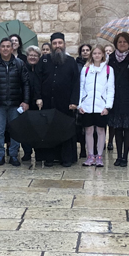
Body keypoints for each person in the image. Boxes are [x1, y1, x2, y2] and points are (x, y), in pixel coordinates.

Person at [0, 36, 30, 167]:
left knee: (15, 130)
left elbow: (26, 83)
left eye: (8, 46)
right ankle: (0, 155)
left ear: (12, 48)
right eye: (3, 46)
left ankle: (13, 155)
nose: (5, 49)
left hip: (15, 103)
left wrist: (26, 101)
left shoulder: (19, 64)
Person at [36, 33, 81, 167]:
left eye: (60, 43)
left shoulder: (71, 61)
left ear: (64, 44)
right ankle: (49, 158)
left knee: (65, 129)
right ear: (51, 45)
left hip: (65, 103)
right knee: (49, 130)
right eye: (55, 43)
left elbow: (76, 83)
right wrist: (38, 97)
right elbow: (37, 80)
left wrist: (74, 101)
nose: (57, 46)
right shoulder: (44, 60)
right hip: (48, 102)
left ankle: (66, 158)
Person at [78, 45, 114, 167]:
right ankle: (90, 155)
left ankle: (99, 155)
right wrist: (80, 104)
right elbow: (81, 87)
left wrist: (108, 106)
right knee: (88, 130)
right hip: (87, 105)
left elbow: (110, 89)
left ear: (103, 54)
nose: (97, 55)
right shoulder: (86, 69)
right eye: (95, 53)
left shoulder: (108, 70)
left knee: (100, 130)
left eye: (99, 53)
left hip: (101, 105)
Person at [107, 33, 129, 168]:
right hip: (115, 98)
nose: (122, 44)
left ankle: (125, 156)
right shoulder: (111, 59)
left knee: (127, 128)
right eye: (120, 42)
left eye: (125, 42)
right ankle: (118, 155)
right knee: (117, 128)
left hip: (128, 98)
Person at [20, 45, 42, 162]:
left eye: (35, 55)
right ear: (27, 56)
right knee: (25, 129)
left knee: (38, 129)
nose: (33, 57)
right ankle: (27, 152)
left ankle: (39, 152)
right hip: (25, 103)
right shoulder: (22, 69)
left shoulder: (41, 70)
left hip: (38, 104)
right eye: (30, 55)